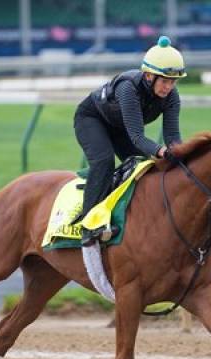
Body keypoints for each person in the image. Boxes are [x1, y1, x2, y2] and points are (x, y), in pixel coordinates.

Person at [74, 35, 187, 246]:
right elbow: (137, 137)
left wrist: (182, 155)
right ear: (148, 76)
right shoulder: (128, 88)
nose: (168, 87)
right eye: (164, 80)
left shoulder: (172, 96)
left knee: (146, 166)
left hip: (120, 126)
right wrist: (162, 151)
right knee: (104, 162)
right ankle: (89, 225)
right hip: (92, 119)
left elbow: (172, 136)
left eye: (173, 81)